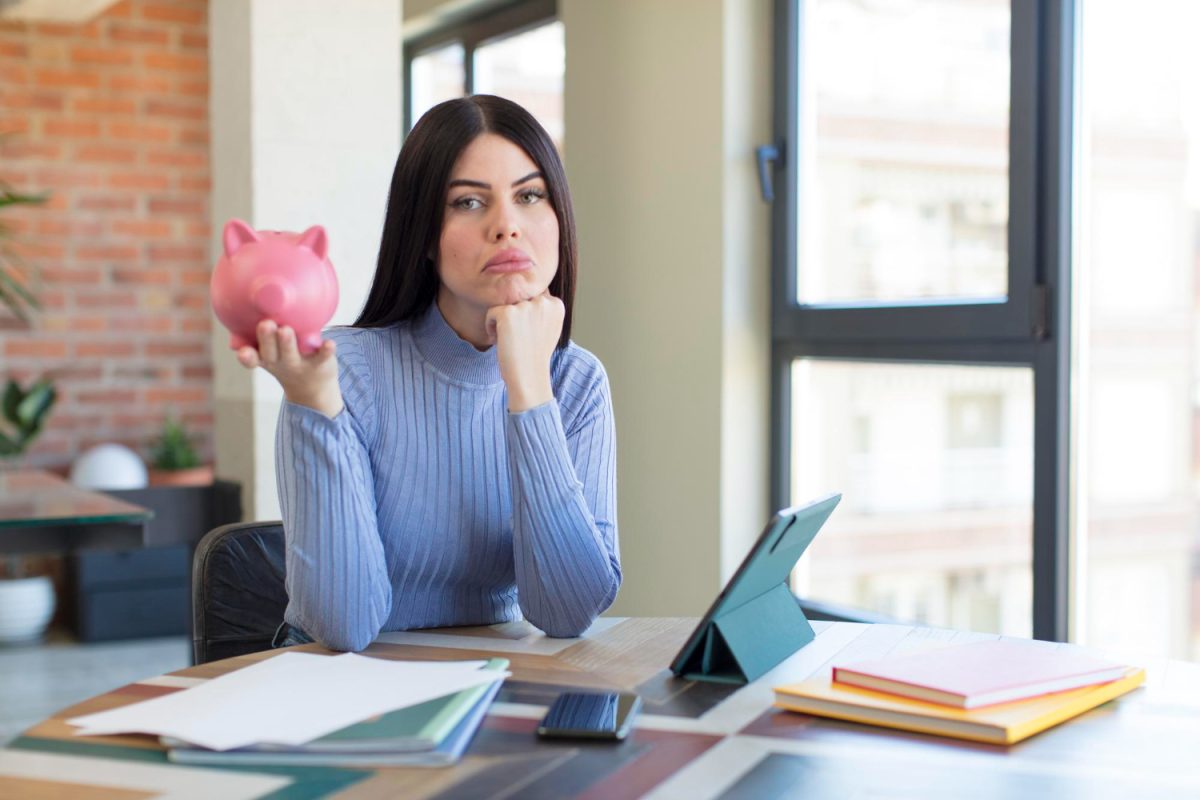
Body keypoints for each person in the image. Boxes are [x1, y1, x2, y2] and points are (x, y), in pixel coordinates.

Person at [235, 95, 620, 652]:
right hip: (349, 697)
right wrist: (314, 403)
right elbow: (345, 626)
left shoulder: (576, 381)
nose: (507, 227)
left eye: (530, 195)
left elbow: (567, 612)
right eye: (468, 202)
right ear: (423, 235)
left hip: (496, 686)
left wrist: (530, 389)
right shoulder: (338, 372)